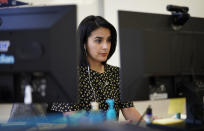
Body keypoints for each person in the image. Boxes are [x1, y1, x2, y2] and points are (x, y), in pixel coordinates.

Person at [49, 15, 141, 121]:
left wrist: (150, 125)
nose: (106, 46)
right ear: (84, 43)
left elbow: (129, 110)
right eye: (98, 40)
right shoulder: (68, 75)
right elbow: (72, 116)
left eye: (109, 40)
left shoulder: (117, 73)